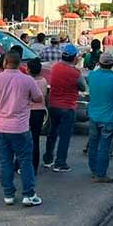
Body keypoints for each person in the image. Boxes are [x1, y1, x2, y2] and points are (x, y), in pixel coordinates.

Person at [0, 51, 44, 206]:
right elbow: (38, 98)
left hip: (1, 127)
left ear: (5, 63)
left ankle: (8, 194)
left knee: (5, 161)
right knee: (25, 161)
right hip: (21, 127)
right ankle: (28, 195)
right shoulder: (27, 80)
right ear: (20, 64)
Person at [44, 44, 86, 172]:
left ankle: (48, 159)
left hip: (53, 105)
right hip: (67, 107)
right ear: (74, 58)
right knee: (64, 136)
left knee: (52, 132)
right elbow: (83, 87)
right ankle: (60, 162)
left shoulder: (55, 67)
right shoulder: (75, 73)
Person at [86, 52, 113, 183]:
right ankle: (101, 173)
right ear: (112, 64)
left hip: (94, 115)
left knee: (93, 143)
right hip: (109, 117)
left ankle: (93, 169)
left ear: (99, 63)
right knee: (104, 146)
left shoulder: (92, 76)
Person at [27, 58, 47, 174]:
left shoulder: (27, 81)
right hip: (39, 111)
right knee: (35, 139)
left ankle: (20, 164)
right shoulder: (43, 81)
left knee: (24, 138)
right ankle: (34, 166)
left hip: (28, 111)